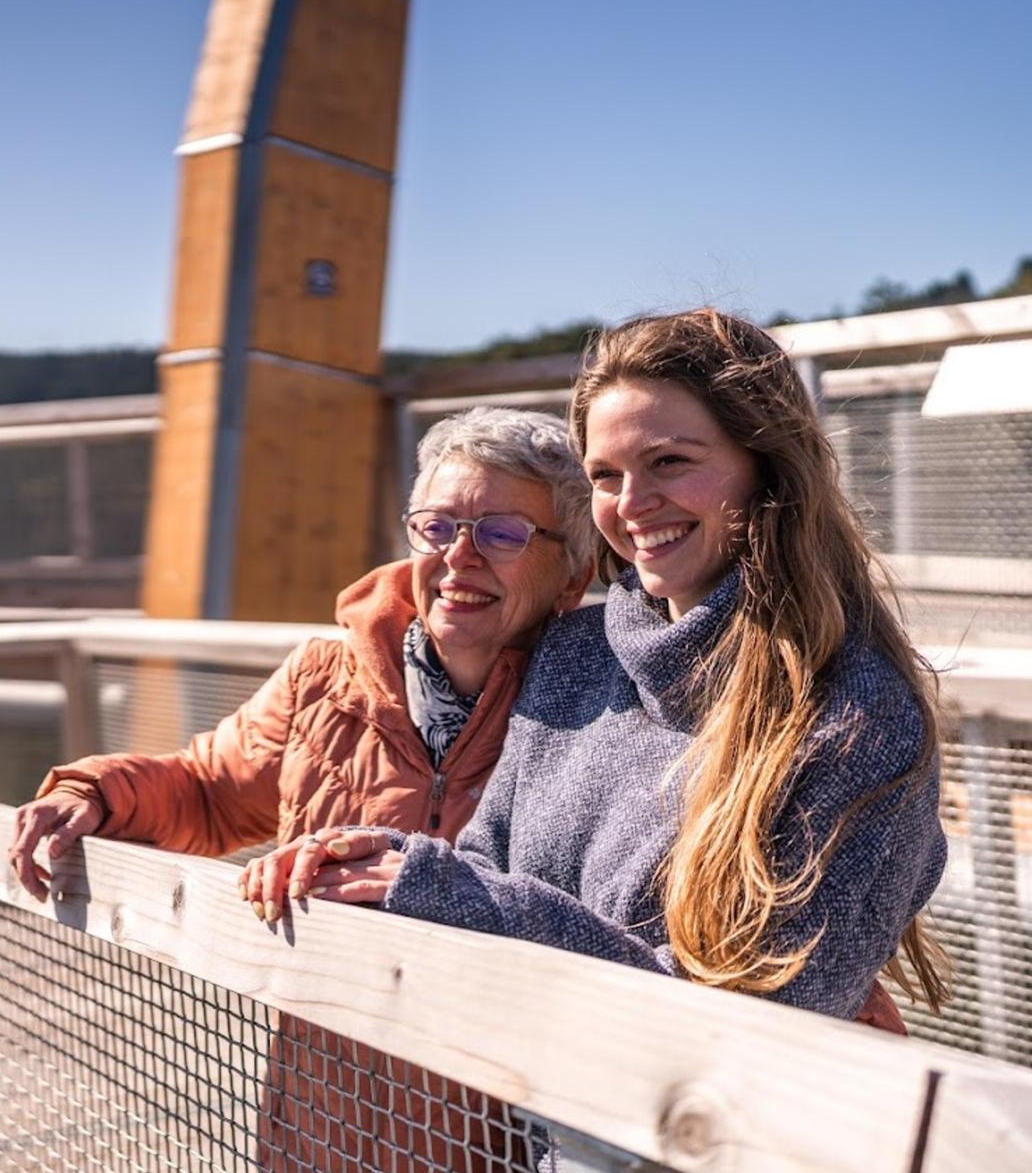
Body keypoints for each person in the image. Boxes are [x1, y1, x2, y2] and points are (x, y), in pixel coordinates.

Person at [256, 309, 947, 1037]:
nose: (633, 504)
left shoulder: (857, 719)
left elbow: (754, 1027)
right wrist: (374, 860)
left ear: (767, 466)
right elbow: (484, 873)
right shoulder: (578, 654)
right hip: (529, 1104)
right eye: (606, 475)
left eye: (670, 461)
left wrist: (449, 890)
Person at [8, 406, 595, 1173]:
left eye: (501, 533)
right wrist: (94, 792)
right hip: (319, 1149)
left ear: (573, 574)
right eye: (437, 526)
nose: (459, 556)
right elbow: (208, 791)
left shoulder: (596, 713)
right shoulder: (325, 679)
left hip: (494, 1166)